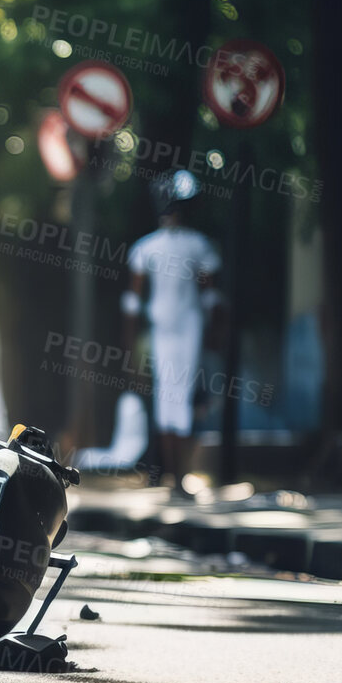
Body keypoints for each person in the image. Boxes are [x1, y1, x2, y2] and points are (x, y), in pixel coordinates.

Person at [121, 170, 224, 496]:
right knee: (173, 399)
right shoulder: (189, 245)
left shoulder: (151, 247)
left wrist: (130, 340)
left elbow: (134, 304)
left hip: (177, 329)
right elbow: (209, 296)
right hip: (173, 330)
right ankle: (174, 476)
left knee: (174, 399)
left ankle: (173, 475)